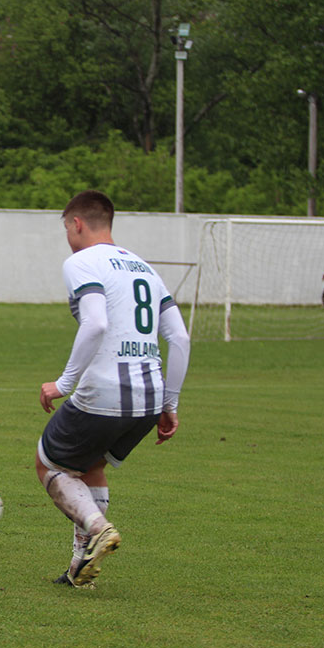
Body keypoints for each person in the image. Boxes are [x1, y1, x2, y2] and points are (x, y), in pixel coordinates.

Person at [36, 190, 190, 588]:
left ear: (77, 224)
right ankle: (79, 568)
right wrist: (169, 403)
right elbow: (180, 337)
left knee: (49, 464)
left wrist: (63, 384)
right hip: (149, 396)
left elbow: (96, 323)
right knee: (92, 466)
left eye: (66, 228)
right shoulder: (145, 268)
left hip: (105, 390)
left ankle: (97, 527)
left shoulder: (81, 262)